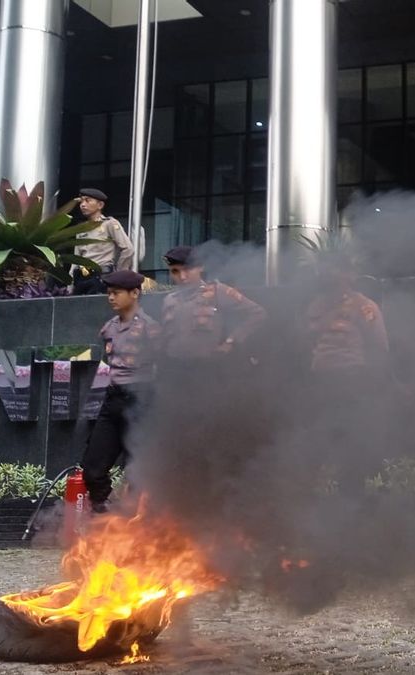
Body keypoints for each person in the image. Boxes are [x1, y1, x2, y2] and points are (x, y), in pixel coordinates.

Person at [304, 252, 390, 497]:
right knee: (318, 438)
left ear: (349, 275)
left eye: (333, 269)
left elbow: (380, 346)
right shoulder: (315, 305)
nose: (326, 274)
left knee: (353, 439)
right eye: (323, 269)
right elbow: (307, 340)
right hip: (320, 381)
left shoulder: (364, 306)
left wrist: (372, 383)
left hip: (352, 381)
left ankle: (353, 495)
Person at [80, 269, 159, 511]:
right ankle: (108, 514)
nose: (110, 298)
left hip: (141, 400)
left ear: (135, 293)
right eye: (109, 293)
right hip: (112, 400)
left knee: (137, 471)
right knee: (92, 468)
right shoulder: (109, 328)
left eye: (116, 293)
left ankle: (133, 525)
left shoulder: (150, 328)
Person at [157, 245, 268, 362]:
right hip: (174, 367)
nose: (182, 276)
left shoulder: (217, 292)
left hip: (207, 367)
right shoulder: (169, 300)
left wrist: (231, 341)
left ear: (200, 267)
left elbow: (257, 313)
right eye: (175, 271)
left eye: (187, 270)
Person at [72, 188, 134, 295]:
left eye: (87, 200)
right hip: (81, 278)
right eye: (81, 201)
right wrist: (70, 284)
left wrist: (118, 275)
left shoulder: (109, 224)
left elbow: (128, 249)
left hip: (101, 277)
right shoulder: (81, 228)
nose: (82, 204)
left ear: (100, 205)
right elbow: (76, 259)